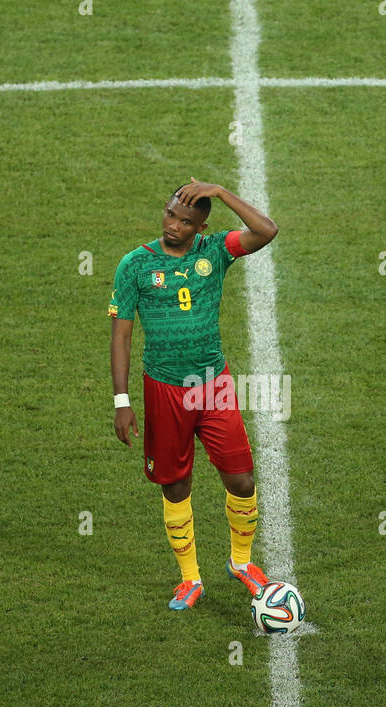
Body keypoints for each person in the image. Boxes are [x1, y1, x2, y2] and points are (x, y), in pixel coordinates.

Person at [109, 178, 279, 610]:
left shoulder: (215, 251)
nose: (174, 226)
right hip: (164, 388)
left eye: (187, 222)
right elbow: (121, 338)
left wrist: (221, 192)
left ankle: (241, 563)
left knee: (241, 479)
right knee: (175, 484)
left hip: (213, 384)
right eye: (171, 214)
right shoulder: (135, 265)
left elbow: (266, 230)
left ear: (201, 229)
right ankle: (190, 578)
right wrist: (122, 401)